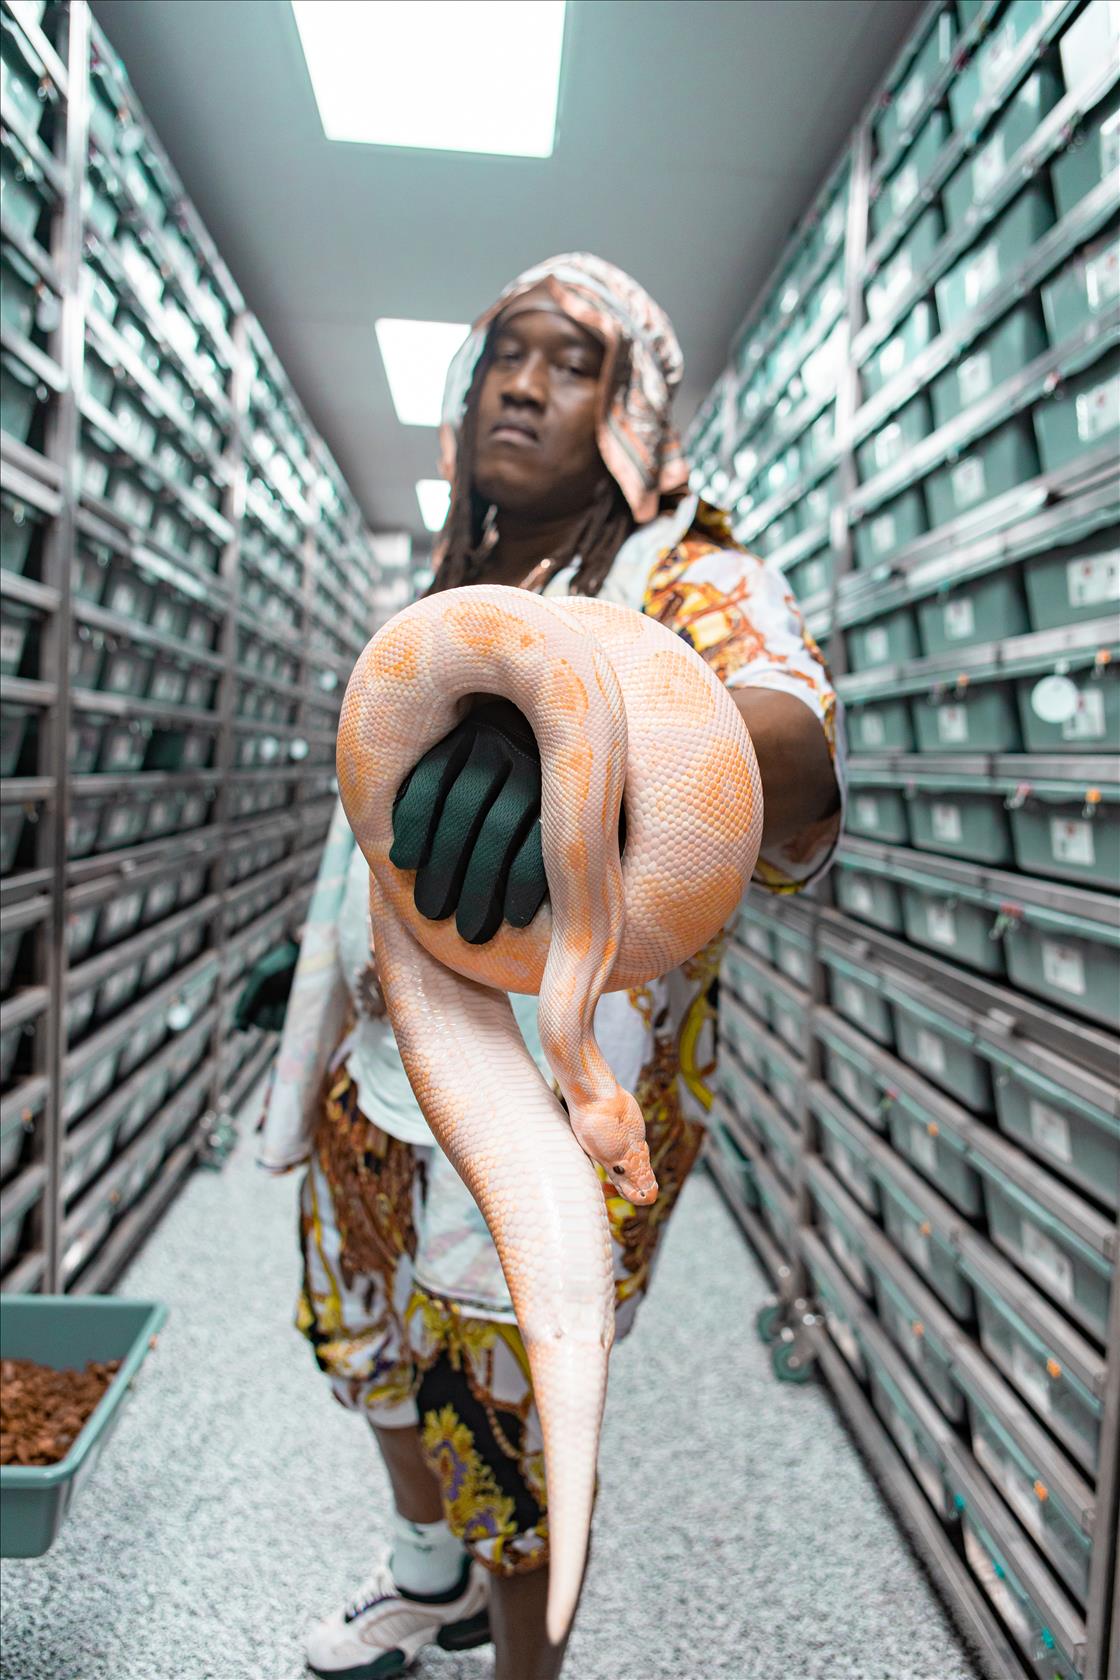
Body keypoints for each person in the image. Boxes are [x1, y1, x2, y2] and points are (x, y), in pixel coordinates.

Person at [257, 253, 844, 1680]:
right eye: (504, 356)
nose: (521, 385)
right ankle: (426, 1579)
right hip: (377, 1069)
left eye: (571, 363)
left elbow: (799, 743)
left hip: (563, 1110)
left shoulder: (694, 576)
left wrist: (600, 734)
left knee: (513, 1411)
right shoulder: (453, 579)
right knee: (366, 1335)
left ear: (632, 414)